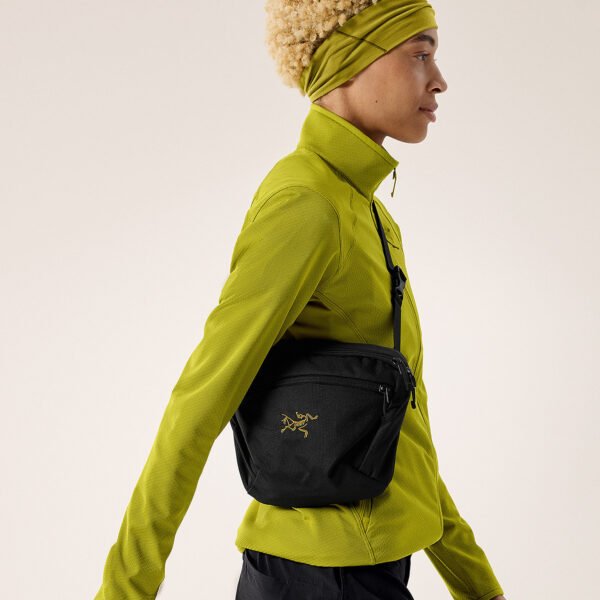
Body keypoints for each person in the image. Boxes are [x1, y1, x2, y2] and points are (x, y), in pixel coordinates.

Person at [95, 1, 507, 599]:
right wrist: (124, 590)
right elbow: (202, 398)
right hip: (322, 578)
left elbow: (400, 430)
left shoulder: (364, 210)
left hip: (363, 568)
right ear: (350, 61)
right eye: (420, 54)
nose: (439, 80)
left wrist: (479, 586)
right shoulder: (307, 204)